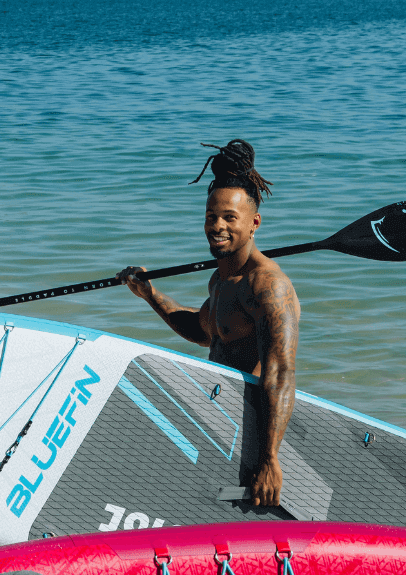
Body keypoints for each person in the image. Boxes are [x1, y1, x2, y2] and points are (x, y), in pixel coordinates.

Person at [119, 140, 300, 507]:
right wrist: (151, 295)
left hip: (251, 434)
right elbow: (204, 332)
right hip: (218, 422)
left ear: (253, 224)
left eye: (229, 218)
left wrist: (270, 459)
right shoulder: (221, 281)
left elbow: (280, 374)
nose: (217, 226)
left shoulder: (268, 285)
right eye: (210, 216)